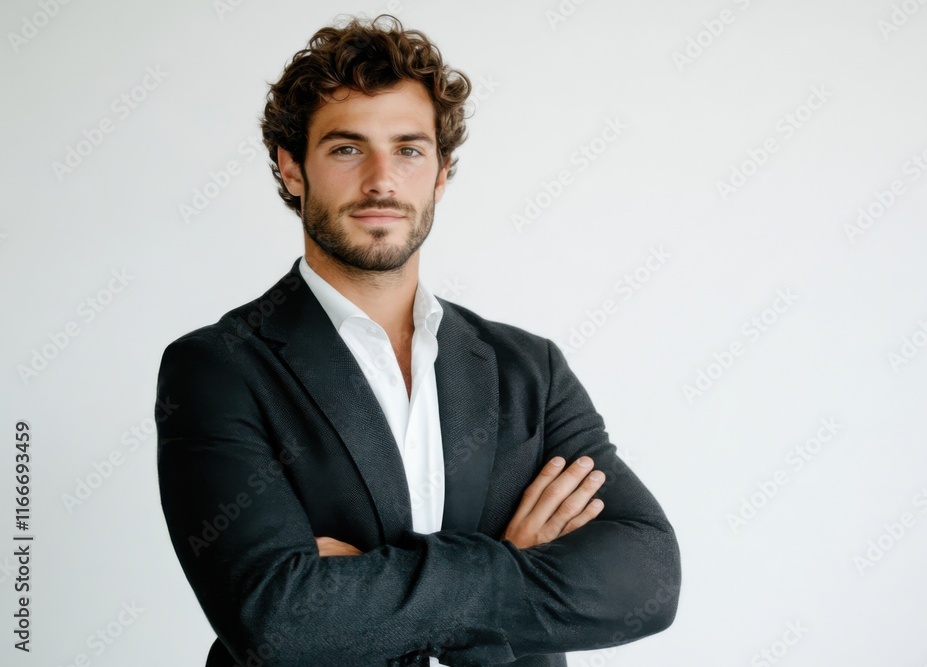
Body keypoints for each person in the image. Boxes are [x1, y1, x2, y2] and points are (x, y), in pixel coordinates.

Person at [156, 14, 680, 667]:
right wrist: (511, 563)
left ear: (440, 172)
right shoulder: (218, 368)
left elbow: (648, 579)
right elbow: (279, 623)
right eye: (347, 148)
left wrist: (377, 589)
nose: (382, 180)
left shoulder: (528, 369)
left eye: (408, 149)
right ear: (293, 169)